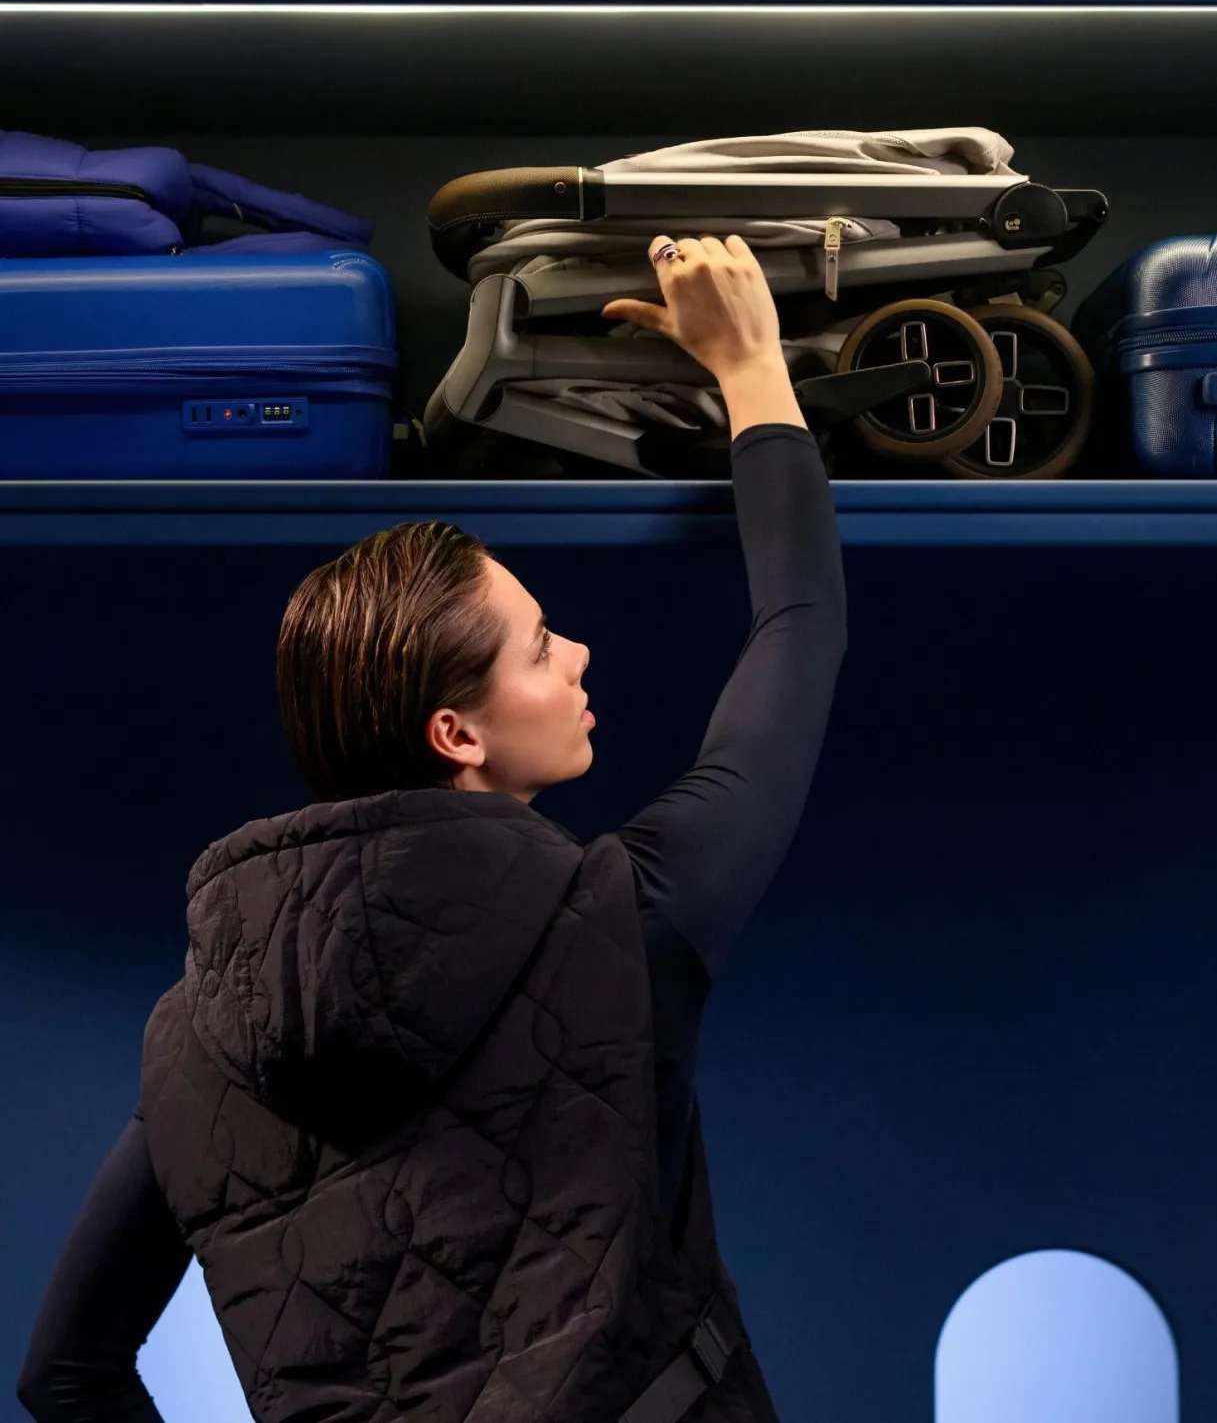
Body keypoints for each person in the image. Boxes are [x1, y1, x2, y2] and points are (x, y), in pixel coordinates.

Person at [18, 232, 848, 1423]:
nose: (579, 655)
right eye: (540, 646)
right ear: (455, 733)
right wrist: (753, 369)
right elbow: (801, 628)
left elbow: (63, 1373)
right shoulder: (632, 918)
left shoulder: (196, 1039)